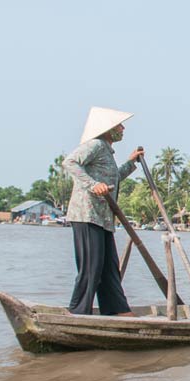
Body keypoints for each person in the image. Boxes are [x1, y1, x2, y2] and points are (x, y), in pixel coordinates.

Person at [62, 106, 144, 316]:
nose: (123, 129)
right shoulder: (95, 145)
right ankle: (78, 312)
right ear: (108, 129)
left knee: (109, 269)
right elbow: (69, 162)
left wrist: (131, 162)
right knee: (91, 267)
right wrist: (92, 185)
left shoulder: (106, 151)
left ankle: (117, 310)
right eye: (119, 126)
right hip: (87, 215)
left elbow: (113, 178)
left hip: (103, 218)